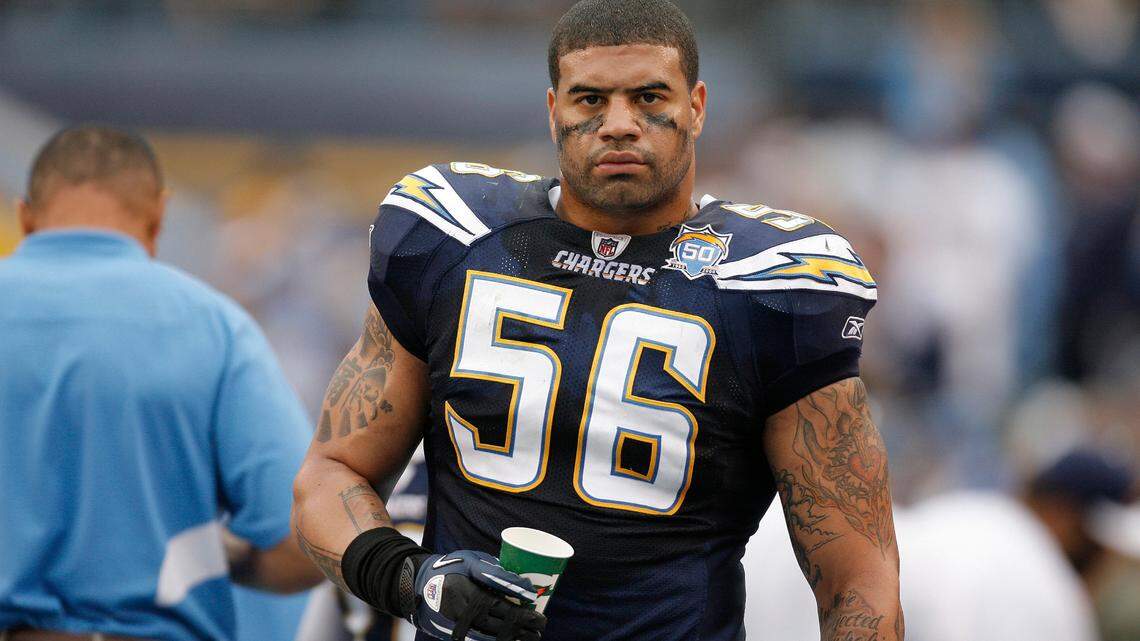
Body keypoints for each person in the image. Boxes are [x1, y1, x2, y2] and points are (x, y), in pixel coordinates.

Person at [292, 1, 904, 639]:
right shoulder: (454, 237)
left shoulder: (772, 284)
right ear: (553, 108)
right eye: (590, 100)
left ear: (696, 105)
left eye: (648, 97)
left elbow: (859, 577)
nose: (619, 125)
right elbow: (330, 474)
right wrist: (410, 576)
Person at [0, 125, 324, 641]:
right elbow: (305, 540)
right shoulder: (215, 326)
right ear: (158, 217)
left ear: (25, 216)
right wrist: (207, 555)